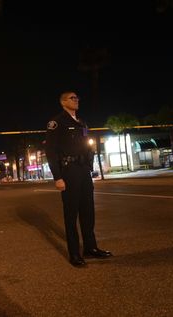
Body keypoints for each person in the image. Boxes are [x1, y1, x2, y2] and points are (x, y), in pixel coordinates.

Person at [45, 91, 112, 267]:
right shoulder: (56, 123)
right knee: (71, 214)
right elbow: (50, 152)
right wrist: (57, 177)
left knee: (88, 211)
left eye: (77, 98)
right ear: (63, 102)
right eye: (72, 98)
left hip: (83, 170)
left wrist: (90, 167)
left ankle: (91, 248)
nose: (76, 100)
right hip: (68, 171)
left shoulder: (82, 122)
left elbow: (86, 146)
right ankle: (74, 253)